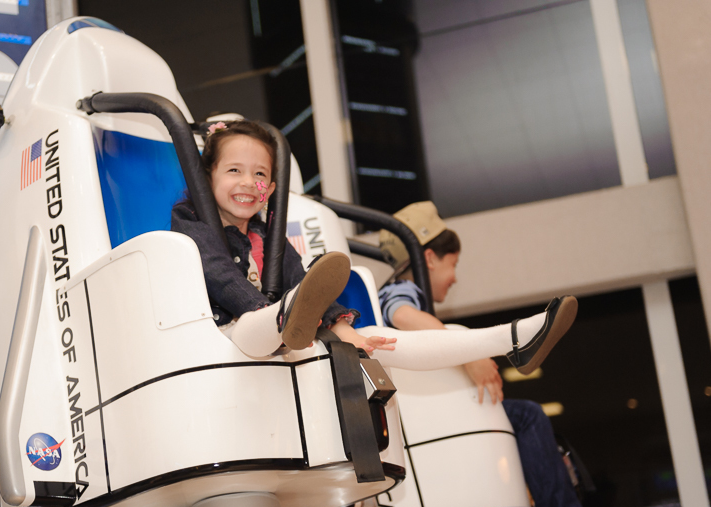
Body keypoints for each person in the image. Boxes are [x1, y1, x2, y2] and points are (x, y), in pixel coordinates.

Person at [377, 201, 652, 507]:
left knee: (543, 443)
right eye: (453, 264)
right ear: (429, 258)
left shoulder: (407, 294)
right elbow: (400, 315)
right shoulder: (401, 291)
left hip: (439, 418)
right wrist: (470, 354)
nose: (455, 278)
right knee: (528, 417)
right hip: (435, 425)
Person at [170, 119, 575, 377]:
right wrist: (289, 314)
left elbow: (300, 281)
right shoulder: (192, 222)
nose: (247, 182)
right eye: (234, 171)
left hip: (288, 340)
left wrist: (344, 329)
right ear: (208, 177)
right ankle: (286, 318)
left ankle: (512, 338)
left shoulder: (269, 235)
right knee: (266, 321)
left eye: (260, 174)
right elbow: (220, 277)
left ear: (273, 189)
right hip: (227, 337)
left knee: (380, 341)